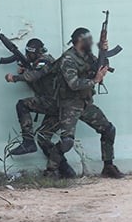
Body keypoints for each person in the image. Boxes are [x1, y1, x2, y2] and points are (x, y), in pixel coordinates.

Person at [53, 27, 124, 179]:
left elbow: (100, 66)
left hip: (85, 103)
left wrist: (104, 52)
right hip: (70, 104)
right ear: (79, 41)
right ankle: (51, 171)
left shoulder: (87, 56)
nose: (91, 42)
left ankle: (108, 166)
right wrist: (95, 80)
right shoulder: (68, 59)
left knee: (108, 129)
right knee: (67, 142)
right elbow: (73, 84)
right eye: (88, 39)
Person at [4, 38, 77, 178]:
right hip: (55, 106)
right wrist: (24, 71)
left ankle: (28, 141)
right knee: (43, 138)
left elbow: (35, 75)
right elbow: (37, 81)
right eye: (27, 53)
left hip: (55, 103)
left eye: (30, 53)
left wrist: (15, 78)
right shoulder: (37, 64)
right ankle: (66, 170)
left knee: (22, 104)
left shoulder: (45, 61)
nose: (28, 55)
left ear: (37, 52)